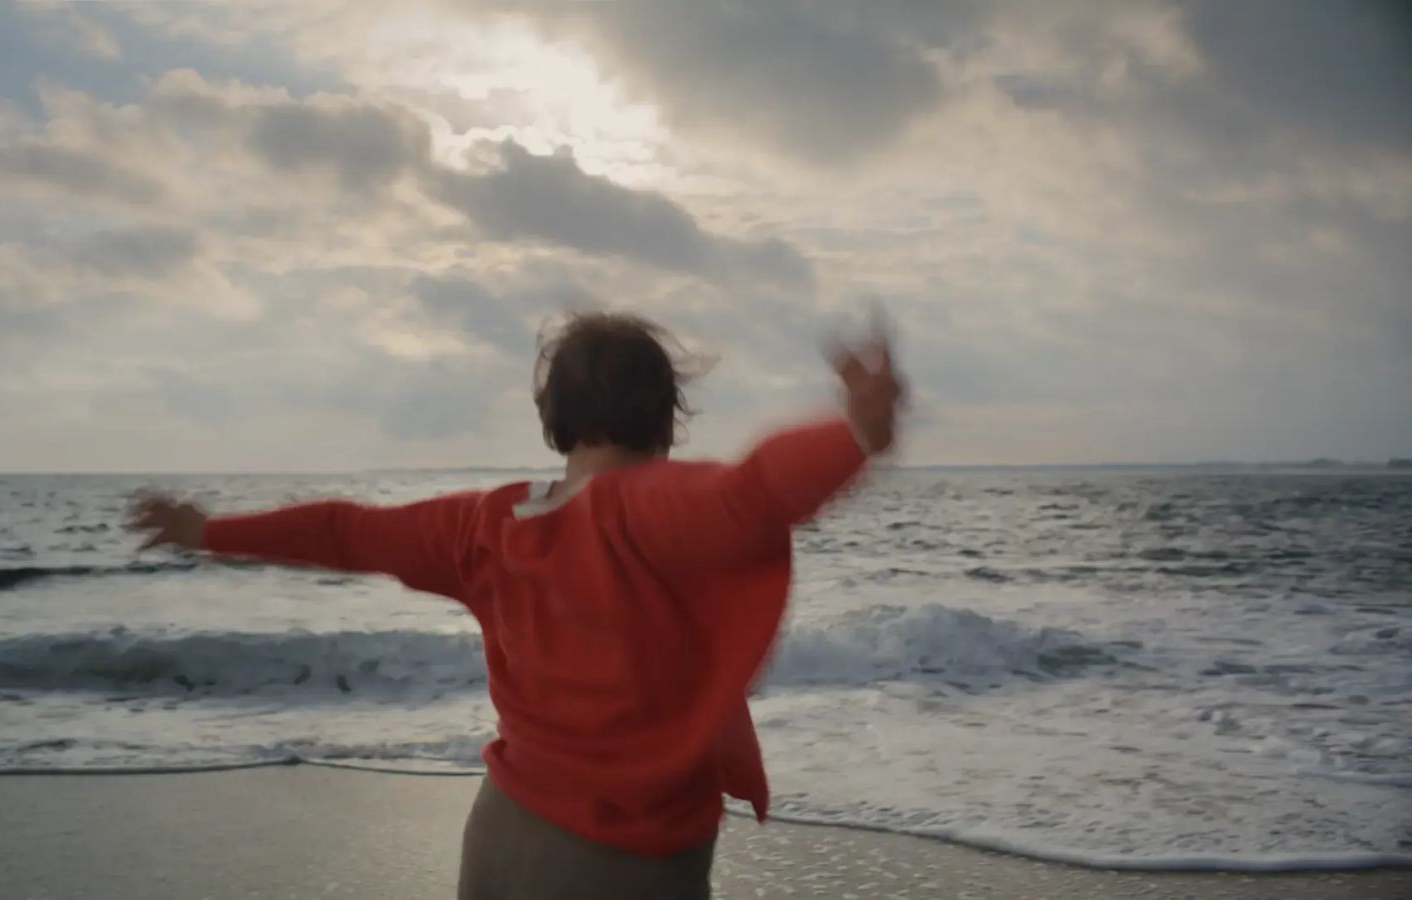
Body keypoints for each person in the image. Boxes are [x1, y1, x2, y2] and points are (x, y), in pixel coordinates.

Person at [128, 311, 905, 899]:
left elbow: (347, 530)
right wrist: (853, 438)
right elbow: (756, 492)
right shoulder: (651, 508)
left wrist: (208, 530)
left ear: (552, 418)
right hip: (623, 858)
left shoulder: (484, 525)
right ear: (666, 417)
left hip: (502, 828)